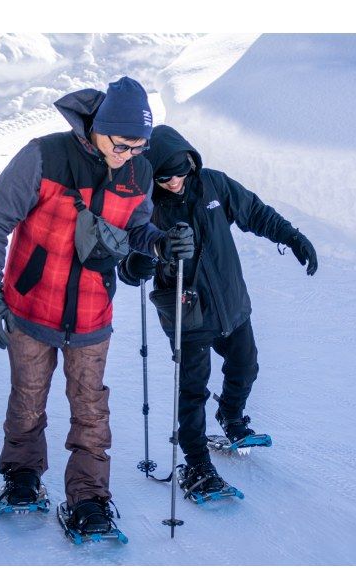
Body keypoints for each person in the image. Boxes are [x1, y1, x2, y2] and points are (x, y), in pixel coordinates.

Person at [0, 78, 193, 533]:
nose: (130, 155)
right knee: (28, 399)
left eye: (140, 147)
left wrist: (162, 244)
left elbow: (136, 229)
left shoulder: (139, 172)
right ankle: (23, 477)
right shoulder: (43, 156)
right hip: (30, 307)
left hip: (92, 313)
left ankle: (89, 500)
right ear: (100, 128)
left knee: (91, 409)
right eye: (123, 144)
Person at [119, 124, 317, 497]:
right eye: (164, 176)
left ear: (192, 163)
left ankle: (230, 414)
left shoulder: (213, 185)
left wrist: (292, 237)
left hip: (230, 302)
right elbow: (128, 268)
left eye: (180, 172)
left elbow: (255, 212)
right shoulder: (143, 207)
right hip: (187, 312)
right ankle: (196, 463)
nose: (174, 181)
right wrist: (147, 259)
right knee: (192, 390)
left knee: (246, 365)